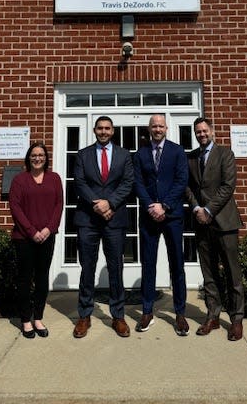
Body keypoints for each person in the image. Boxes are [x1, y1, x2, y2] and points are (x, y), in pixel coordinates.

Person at [73, 115, 134, 338]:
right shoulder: (83, 155)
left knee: (116, 268)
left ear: (113, 131)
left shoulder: (125, 155)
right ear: (94, 130)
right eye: (100, 128)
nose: (104, 132)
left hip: (114, 218)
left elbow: (128, 183)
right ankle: (84, 315)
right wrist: (96, 204)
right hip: (88, 219)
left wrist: (111, 203)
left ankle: (118, 316)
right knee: (87, 268)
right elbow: (79, 182)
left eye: (107, 128)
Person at [186, 117, 244, 341]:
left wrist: (208, 209)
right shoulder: (191, 157)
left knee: (232, 273)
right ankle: (213, 315)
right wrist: (196, 208)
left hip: (225, 222)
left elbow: (228, 185)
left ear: (212, 131)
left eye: (204, 131)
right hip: (201, 223)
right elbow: (188, 187)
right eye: (198, 132)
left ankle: (237, 319)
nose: (201, 134)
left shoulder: (225, 154)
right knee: (209, 273)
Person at [133, 114, 189, 335]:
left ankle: (180, 313)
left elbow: (181, 180)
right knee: (148, 264)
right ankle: (147, 311)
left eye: (160, 126)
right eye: (154, 126)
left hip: (172, 216)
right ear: (149, 129)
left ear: (167, 128)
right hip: (149, 217)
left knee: (177, 264)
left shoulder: (177, 151)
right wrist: (150, 205)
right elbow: (137, 182)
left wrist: (164, 206)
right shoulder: (140, 153)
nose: (157, 129)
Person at [9, 141, 64, 339]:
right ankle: (25, 320)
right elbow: (15, 208)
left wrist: (49, 229)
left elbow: (59, 205)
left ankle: (38, 317)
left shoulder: (55, 179)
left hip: (47, 237)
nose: (37, 158)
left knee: (42, 278)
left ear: (46, 158)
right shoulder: (19, 180)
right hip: (24, 238)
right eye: (34, 155)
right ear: (28, 158)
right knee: (24, 279)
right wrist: (32, 231)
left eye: (41, 155)